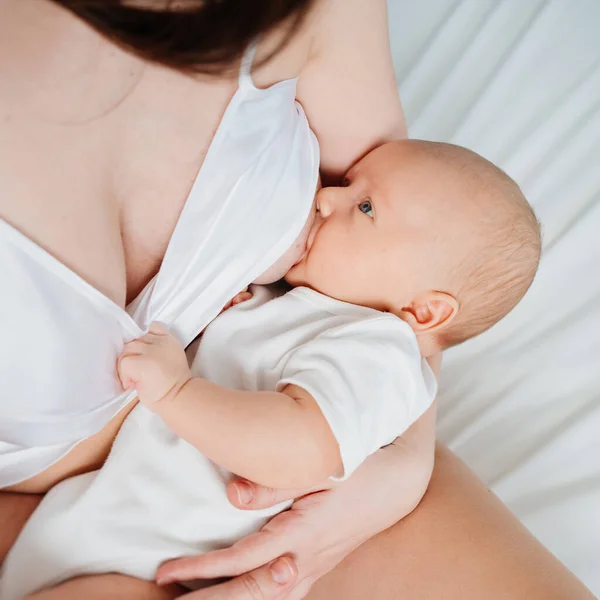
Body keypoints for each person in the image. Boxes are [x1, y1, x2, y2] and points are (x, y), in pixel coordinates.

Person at [0, 1, 594, 599]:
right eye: (347, 192)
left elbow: (426, 245)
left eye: (360, 206)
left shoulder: (373, 346)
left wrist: (404, 463)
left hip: (231, 523)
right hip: (110, 504)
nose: (326, 199)